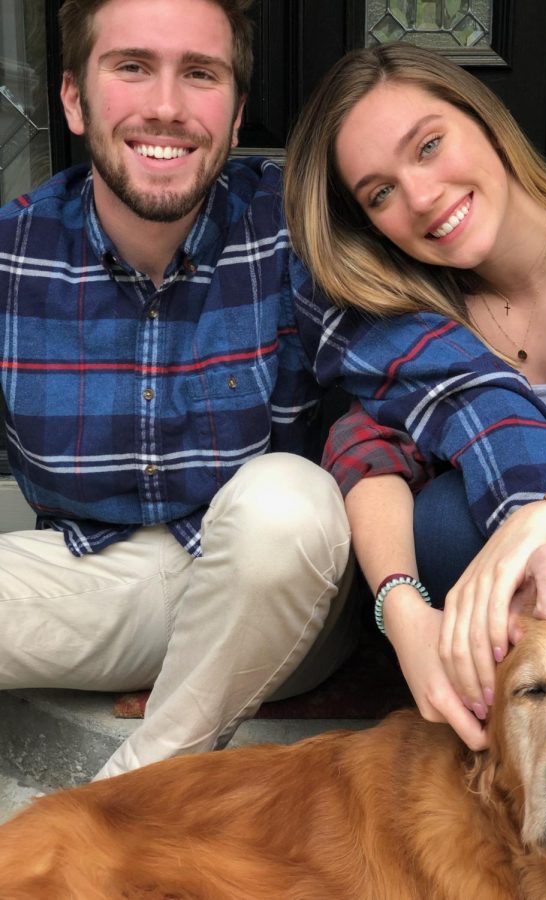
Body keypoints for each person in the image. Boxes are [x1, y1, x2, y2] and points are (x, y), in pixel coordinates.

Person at [0, 0, 365, 781]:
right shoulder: (14, 253)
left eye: (200, 74)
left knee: (287, 502)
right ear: (74, 98)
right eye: (132, 66)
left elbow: (421, 377)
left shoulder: (288, 227)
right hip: (95, 574)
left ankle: (116, 804)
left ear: (235, 118)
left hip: (279, 585)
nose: (165, 107)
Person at [283, 43, 546, 749]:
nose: (422, 197)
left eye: (429, 146)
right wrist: (401, 613)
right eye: (380, 193)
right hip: (530, 657)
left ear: (485, 120)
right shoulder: (420, 322)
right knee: (439, 520)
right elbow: (365, 448)